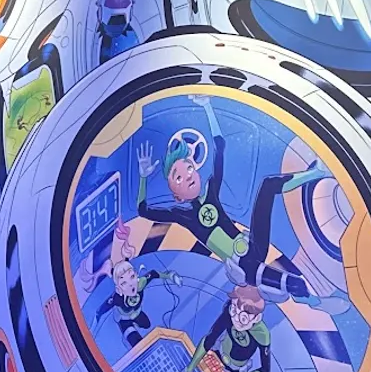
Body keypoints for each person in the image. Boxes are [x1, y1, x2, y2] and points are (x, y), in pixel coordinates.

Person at [136, 94, 341, 309]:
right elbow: (144, 210)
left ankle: (316, 173)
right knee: (295, 284)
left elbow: (220, 148)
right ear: (176, 195)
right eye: (178, 177)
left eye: (188, 168)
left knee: (268, 185)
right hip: (244, 265)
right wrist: (143, 177)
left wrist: (207, 107)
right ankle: (312, 301)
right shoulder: (183, 215)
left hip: (253, 245)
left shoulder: (211, 190)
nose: (187, 176)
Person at [184, 285, 271, 372]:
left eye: (243, 318)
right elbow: (209, 340)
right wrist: (189, 369)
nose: (236, 319)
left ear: (256, 318)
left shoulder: (262, 334)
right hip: (216, 355)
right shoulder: (229, 310)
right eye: (234, 311)